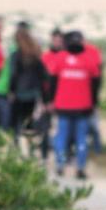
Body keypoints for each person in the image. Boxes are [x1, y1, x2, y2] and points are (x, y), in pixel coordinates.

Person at [45, 30, 100, 179]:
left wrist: (50, 101)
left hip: (63, 105)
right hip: (84, 106)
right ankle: (80, 168)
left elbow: (52, 83)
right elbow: (95, 85)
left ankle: (60, 165)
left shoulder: (59, 58)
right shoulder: (89, 60)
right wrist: (94, 103)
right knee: (81, 137)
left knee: (61, 136)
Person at [7, 25, 47, 156]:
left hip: (19, 94)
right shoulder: (35, 55)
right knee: (29, 124)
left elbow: (13, 75)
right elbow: (44, 76)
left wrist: (11, 90)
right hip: (33, 94)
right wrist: (43, 95)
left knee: (15, 124)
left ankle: (16, 150)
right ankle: (29, 151)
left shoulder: (16, 56)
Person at [38, 28, 65, 160]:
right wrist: (45, 101)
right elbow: (40, 80)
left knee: (62, 128)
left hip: (63, 98)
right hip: (47, 98)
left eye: (60, 40)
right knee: (45, 128)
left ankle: (63, 155)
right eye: (55, 40)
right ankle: (44, 155)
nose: (57, 43)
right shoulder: (45, 57)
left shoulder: (66, 56)